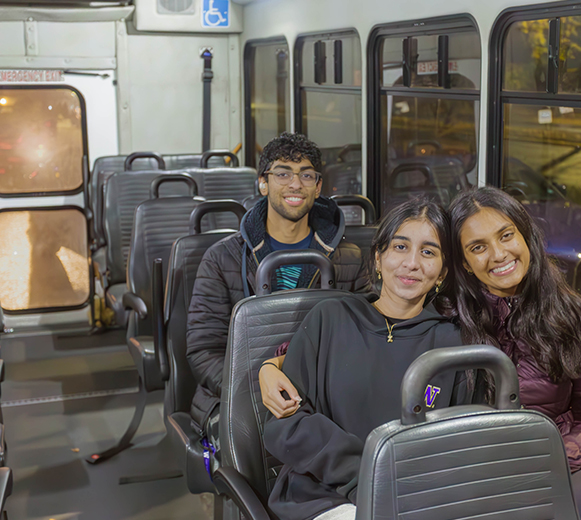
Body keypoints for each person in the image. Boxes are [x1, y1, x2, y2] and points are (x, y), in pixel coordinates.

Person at [261, 199, 473, 520]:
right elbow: (286, 424)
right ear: (378, 257)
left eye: (428, 252)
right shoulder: (330, 318)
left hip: (418, 497)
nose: (412, 263)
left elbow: (460, 442)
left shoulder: (454, 342)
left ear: (442, 272)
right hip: (324, 495)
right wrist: (369, 478)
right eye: (400, 247)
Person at [186, 132, 369, 462]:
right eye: (283, 173)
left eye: (306, 175)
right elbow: (202, 350)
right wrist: (257, 389)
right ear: (263, 184)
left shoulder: (350, 258)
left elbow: (365, 336)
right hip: (242, 395)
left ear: (318, 186)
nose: (295, 184)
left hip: (322, 394)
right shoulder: (223, 258)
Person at [447, 186, 581, 520]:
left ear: (525, 236)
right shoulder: (447, 320)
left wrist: (549, 459)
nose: (498, 254)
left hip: (555, 462)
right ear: (464, 264)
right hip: (475, 472)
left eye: (506, 235)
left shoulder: (573, 315)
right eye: (478, 247)